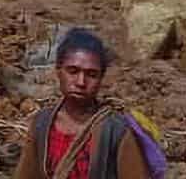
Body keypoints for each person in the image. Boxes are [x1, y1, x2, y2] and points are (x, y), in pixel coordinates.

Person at [14, 29, 165, 179]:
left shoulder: (115, 131)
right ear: (58, 71)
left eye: (91, 75)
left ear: (101, 78)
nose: (81, 82)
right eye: (73, 71)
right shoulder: (42, 124)